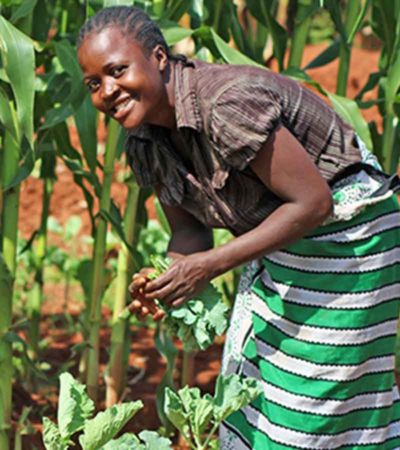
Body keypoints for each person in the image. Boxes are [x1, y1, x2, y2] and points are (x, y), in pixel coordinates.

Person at [77, 6, 400, 449]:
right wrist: (167, 276)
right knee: (258, 397)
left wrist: (207, 267)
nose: (107, 91)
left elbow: (313, 202)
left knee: (317, 403)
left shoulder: (226, 101)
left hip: (349, 238)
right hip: (285, 239)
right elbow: (190, 236)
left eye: (117, 70)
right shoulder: (144, 140)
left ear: (158, 58)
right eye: (94, 83)